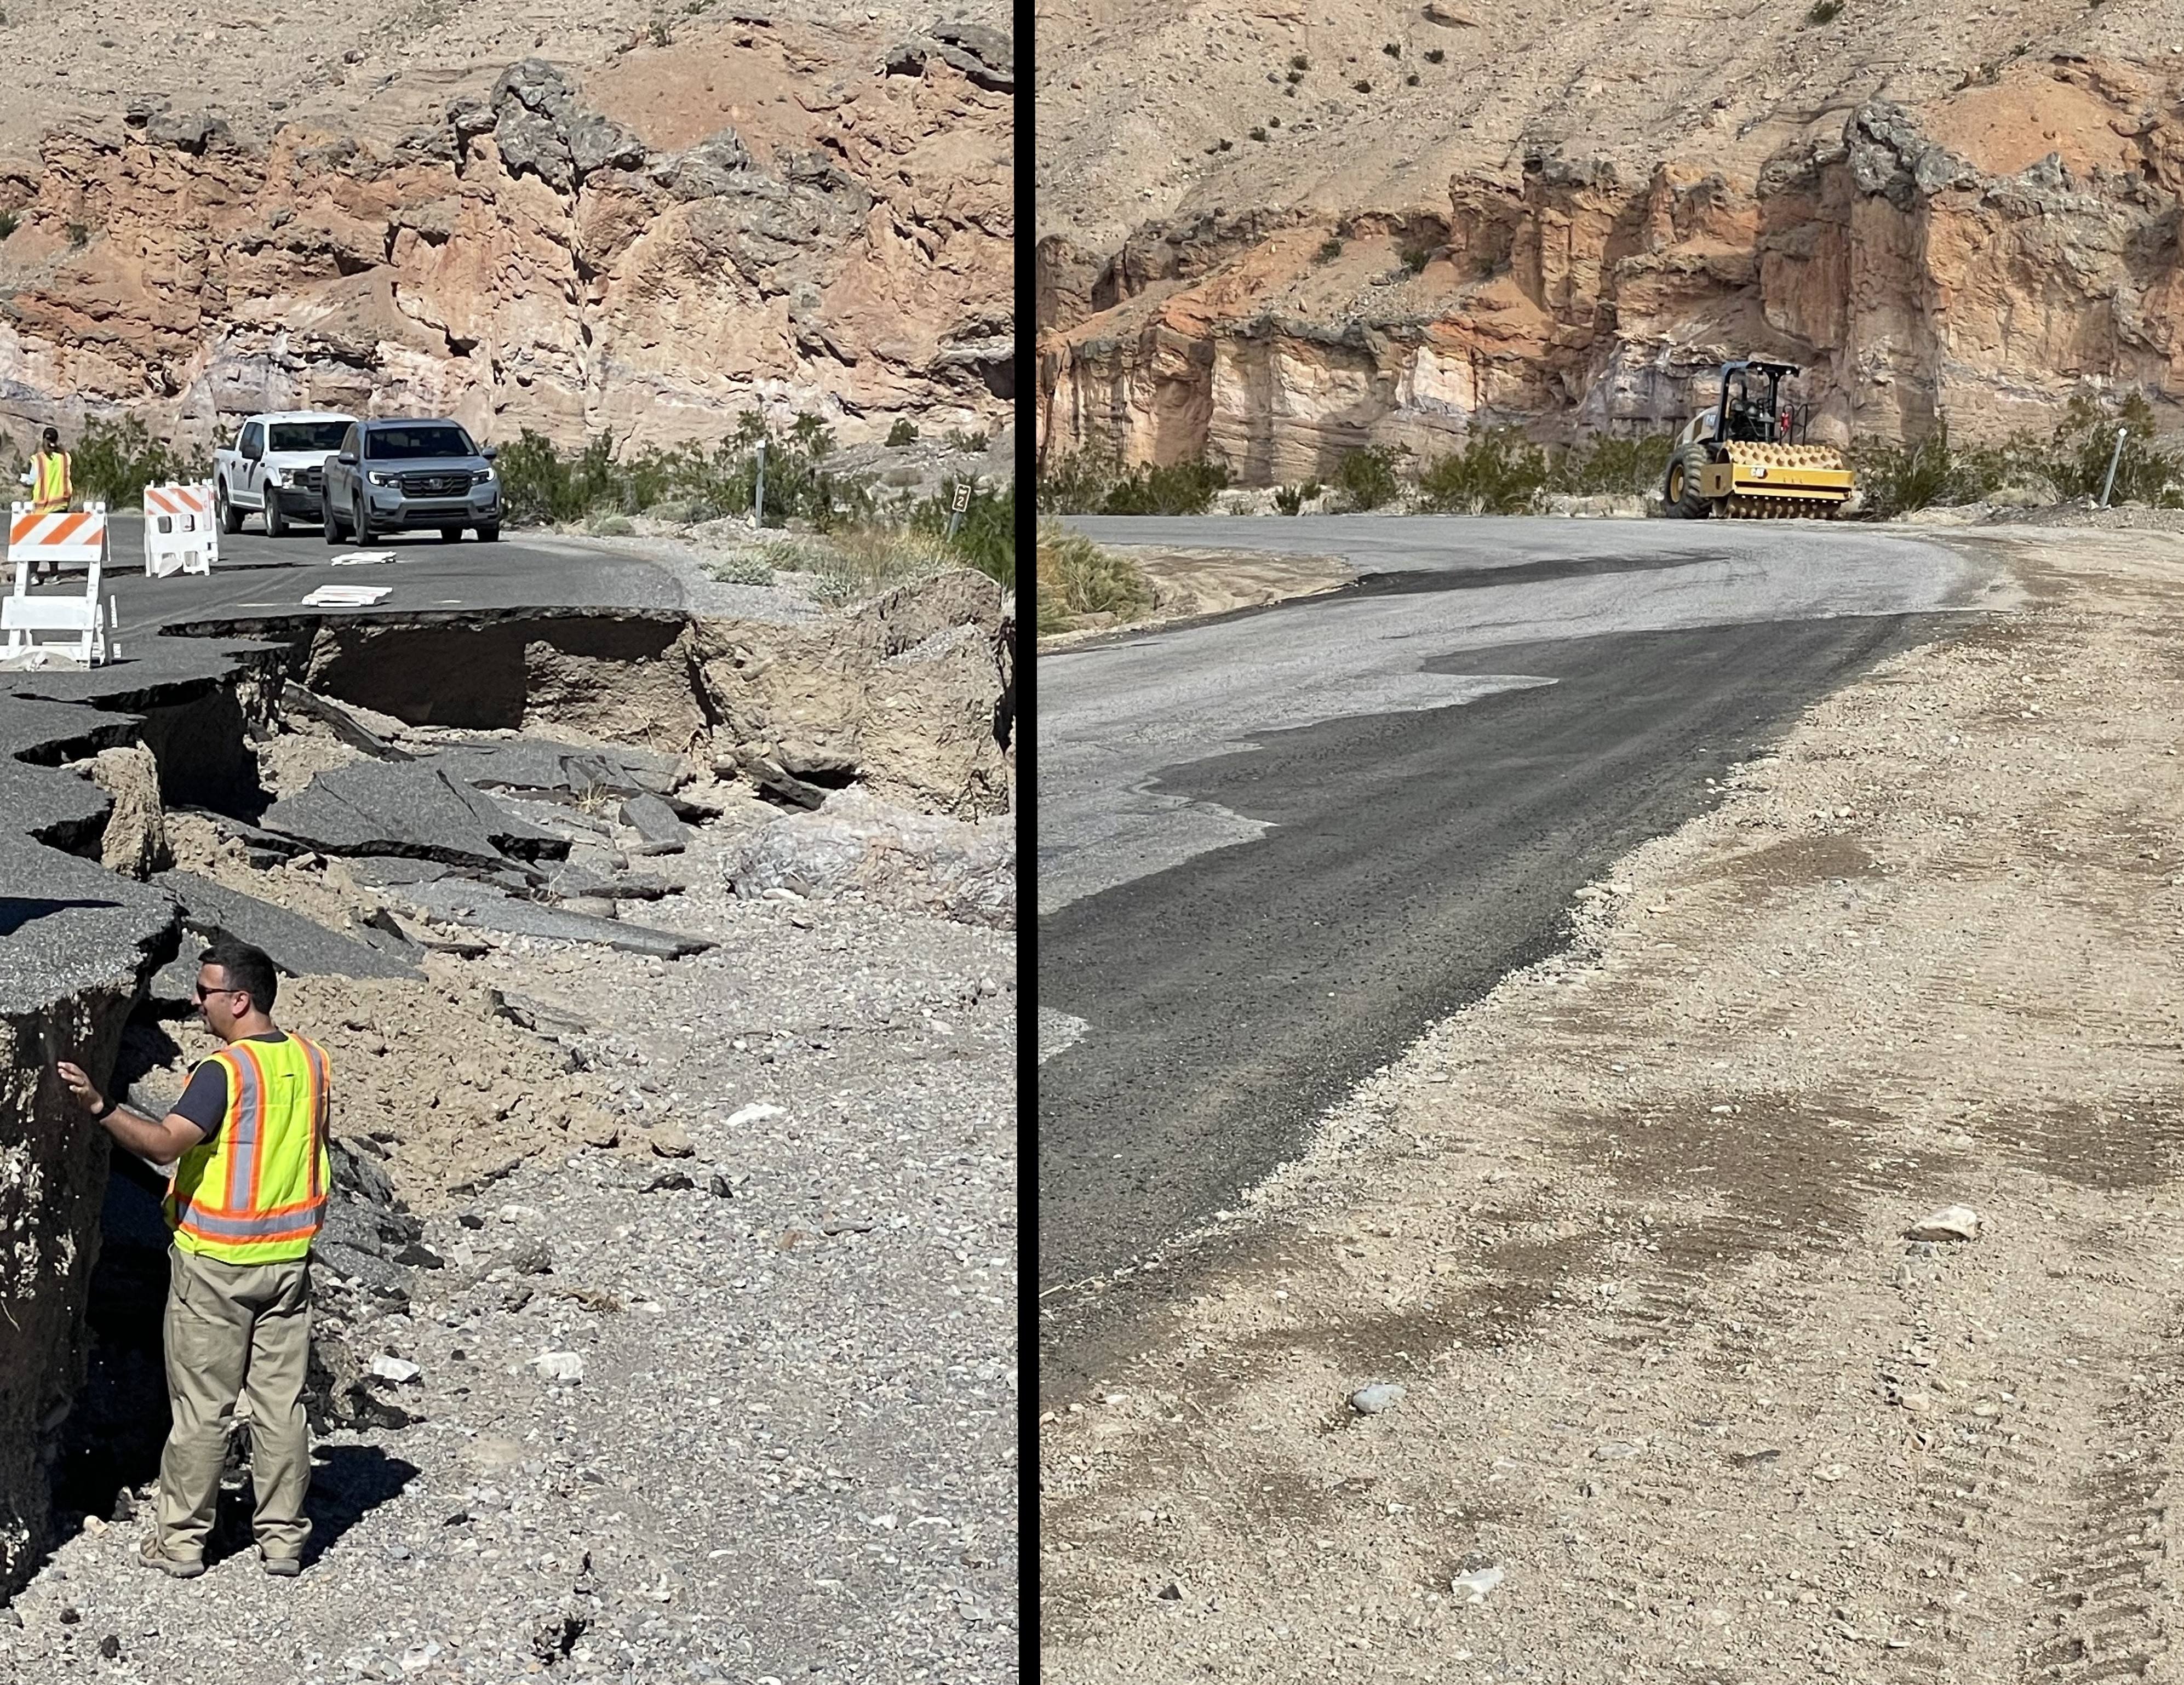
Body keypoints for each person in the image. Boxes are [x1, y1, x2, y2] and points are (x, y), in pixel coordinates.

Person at [56, 939, 333, 1580]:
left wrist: (99, 1107)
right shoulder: (311, 1060)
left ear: (240, 999)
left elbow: (162, 1146)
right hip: (289, 1260)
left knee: (203, 1408)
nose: (195, 1001)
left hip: (217, 1265)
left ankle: (181, 1543)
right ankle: (284, 1541)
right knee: (281, 1405)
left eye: (205, 991)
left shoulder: (225, 1072)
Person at [26, 426, 70, 514]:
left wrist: (23, 480)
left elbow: (32, 480)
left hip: (42, 510)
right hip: (61, 506)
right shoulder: (65, 457)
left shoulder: (39, 459)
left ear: (44, 440)